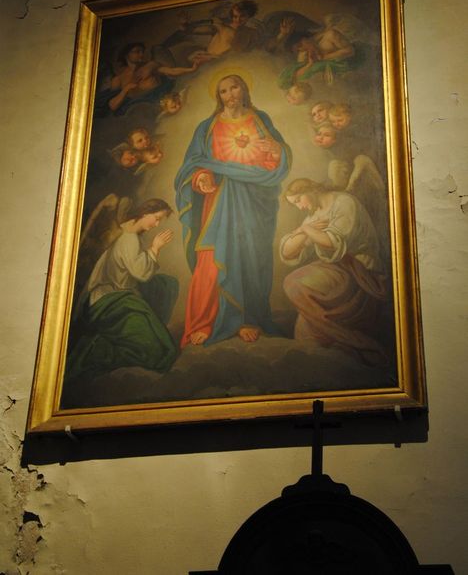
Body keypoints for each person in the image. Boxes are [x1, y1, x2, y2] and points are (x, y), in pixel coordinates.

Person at [175, 74, 291, 346]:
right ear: (219, 97)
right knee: (212, 256)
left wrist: (277, 151)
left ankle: (248, 319)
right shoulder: (207, 127)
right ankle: (208, 321)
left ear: (244, 89)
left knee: (251, 255)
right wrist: (201, 177)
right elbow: (193, 163)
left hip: (255, 199)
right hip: (220, 198)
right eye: (223, 91)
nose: (229, 95)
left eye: (234, 87)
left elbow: (279, 156)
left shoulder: (260, 119)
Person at [64, 199, 179, 383]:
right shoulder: (129, 238)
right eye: (156, 218)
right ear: (145, 212)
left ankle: (148, 326)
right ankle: (95, 349)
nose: (157, 224)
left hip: (119, 293)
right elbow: (140, 273)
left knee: (166, 284)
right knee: (160, 352)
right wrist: (155, 248)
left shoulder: (129, 232)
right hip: (109, 301)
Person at [280, 178, 388, 365]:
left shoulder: (344, 203)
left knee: (294, 283)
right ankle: (334, 343)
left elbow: (331, 242)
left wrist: (305, 230)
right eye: (295, 204)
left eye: (298, 200)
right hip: (337, 267)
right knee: (305, 333)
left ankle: (353, 340)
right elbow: (287, 252)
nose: (300, 207)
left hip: (360, 270)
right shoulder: (315, 214)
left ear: (310, 190)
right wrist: (305, 230)